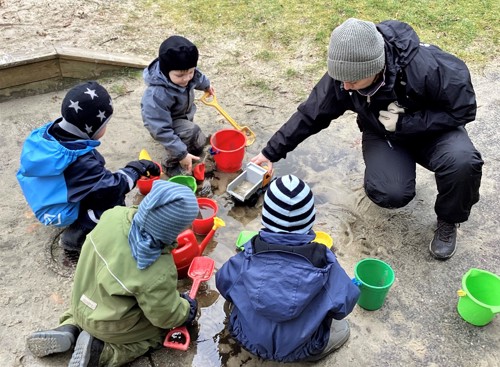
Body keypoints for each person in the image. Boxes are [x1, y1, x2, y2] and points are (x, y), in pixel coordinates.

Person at [251, 18, 483, 260]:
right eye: (341, 80)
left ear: (376, 68)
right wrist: (270, 152)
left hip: (434, 132)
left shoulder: (426, 67)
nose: (346, 87)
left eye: (353, 81)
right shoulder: (345, 76)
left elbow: (464, 110)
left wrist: (406, 123)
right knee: (390, 192)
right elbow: (311, 114)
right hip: (383, 133)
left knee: (463, 161)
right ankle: (393, 168)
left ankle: (449, 220)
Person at [26, 180, 200, 366]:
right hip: (109, 326)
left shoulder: (113, 215)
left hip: (80, 303)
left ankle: (69, 327)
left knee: (91, 299)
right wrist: (186, 309)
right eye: (184, 226)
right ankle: (100, 352)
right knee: (157, 333)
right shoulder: (156, 267)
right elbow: (165, 315)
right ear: (169, 230)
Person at [216, 174, 360, 363]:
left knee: (234, 296)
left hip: (247, 338)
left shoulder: (244, 259)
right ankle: (309, 353)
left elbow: (222, 282)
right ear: (310, 221)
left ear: (265, 219)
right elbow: (345, 303)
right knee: (342, 329)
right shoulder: (326, 266)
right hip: (301, 349)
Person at [16, 81, 160, 260]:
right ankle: (74, 238)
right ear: (91, 127)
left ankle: (73, 215)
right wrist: (137, 168)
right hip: (57, 209)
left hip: (45, 194)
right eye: (105, 123)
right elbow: (112, 188)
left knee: (100, 186)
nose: (107, 127)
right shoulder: (80, 163)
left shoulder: (47, 134)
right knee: (111, 201)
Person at [141, 35, 215, 177]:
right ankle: (171, 164)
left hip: (182, 117)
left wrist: (206, 85)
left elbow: (198, 77)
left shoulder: (187, 73)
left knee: (198, 143)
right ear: (165, 71)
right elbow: (159, 128)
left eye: (190, 72)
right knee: (190, 132)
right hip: (162, 124)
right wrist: (181, 155)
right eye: (180, 75)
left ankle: (181, 144)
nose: (187, 78)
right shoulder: (157, 94)